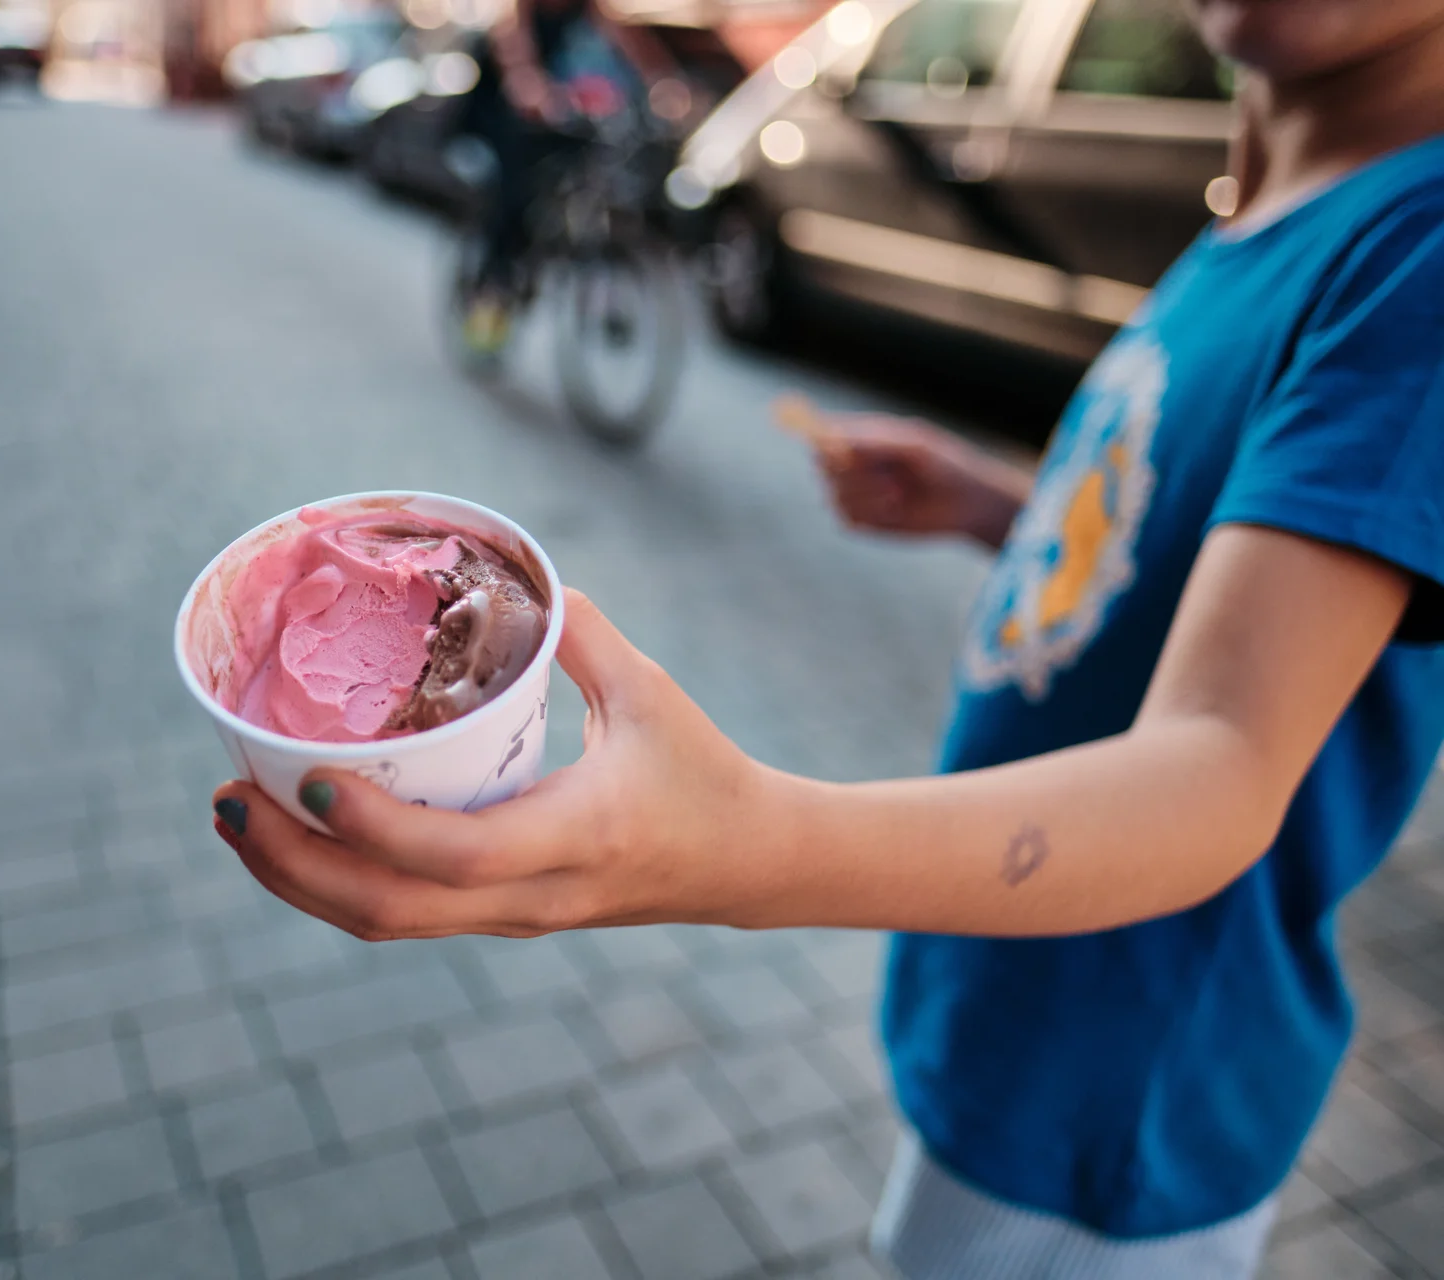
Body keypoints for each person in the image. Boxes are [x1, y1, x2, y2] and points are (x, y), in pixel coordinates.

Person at [210, 0, 1444, 1275]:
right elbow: (1232, 555)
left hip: (1123, 1090)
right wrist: (994, 506)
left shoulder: (1423, 255)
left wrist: (739, 845)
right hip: (1018, 1005)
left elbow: (1223, 763)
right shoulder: (1271, 188)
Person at [459, 0, 680, 353]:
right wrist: (528, 86)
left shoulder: (589, 8)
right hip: (511, 112)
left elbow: (631, 43)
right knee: (515, 195)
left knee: (594, 166)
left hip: (563, 115)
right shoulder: (520, 11)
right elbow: (515, 50)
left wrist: (662, 83)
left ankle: (570, 243)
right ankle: (492, 290)